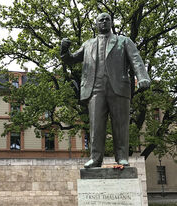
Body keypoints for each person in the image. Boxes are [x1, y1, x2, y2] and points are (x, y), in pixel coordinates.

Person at [60, 13, 150, 168]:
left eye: (107, 19)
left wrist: (142, 77)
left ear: (111, 23)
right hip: (95, 89)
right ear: (96, 24)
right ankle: (95, 158)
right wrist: (64, 49)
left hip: (119, 88)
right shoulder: (88, 44)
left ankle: (122, 157)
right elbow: (71, 59)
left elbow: (136, 60)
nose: (104, 21)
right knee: (96, 125)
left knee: (120, 125)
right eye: (100, 19)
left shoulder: (124, 41)